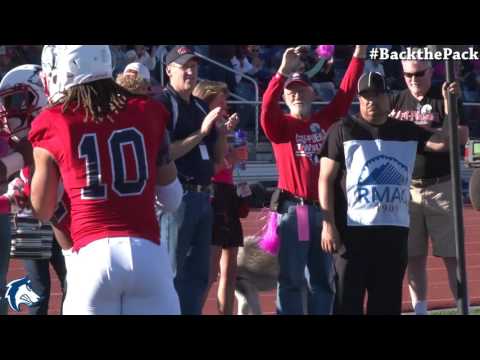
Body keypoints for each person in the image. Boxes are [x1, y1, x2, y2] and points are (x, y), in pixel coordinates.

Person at [28, 45, 182, 315]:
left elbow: (42, 210)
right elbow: (172, 198)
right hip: (148, 255)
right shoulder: (148, 111)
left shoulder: (53, 121)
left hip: (92, 258)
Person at [319, 72, 456, 315]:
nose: (371, 101)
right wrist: (328, 224)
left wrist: (449, 105)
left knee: (386, 304)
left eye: (377, 95)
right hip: (352, 233)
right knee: (346, 302)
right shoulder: (342, 129)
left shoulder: (407, 131)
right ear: (359, 100)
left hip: (393, 233)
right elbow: (325, 179)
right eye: (365, 96)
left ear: (388, 97)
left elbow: (446, 142)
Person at [260, 45, 366, 315]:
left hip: (326, 210)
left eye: (301, 89)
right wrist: (282, 73)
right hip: (297, 212)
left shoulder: (326, 119)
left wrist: (359, 53)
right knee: (292, 281)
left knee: (323, 281)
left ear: (313, 92)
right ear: (284, 96)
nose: (296, 94)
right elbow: (265, 112)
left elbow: (347, 90)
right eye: (291, 91)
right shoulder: (281, 126)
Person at [389, 52, 468, 315]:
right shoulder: (396, 99)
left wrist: (448, 109)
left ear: (431, 71)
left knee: (452, 257)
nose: (413, 79)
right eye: (408, 74)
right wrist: (434, 135)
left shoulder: (446, 94)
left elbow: (460, 137)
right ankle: (420, 311)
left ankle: (462, 309)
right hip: (407, 189)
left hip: (442, 187)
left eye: (419, 73)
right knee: (413, 257)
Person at [156, 45, 231, 315]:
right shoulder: (164, 104)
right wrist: (201, 132)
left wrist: (220, 132)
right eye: (184, 66)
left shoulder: (199, 105)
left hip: (202, 194)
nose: (191, 72)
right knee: (172, 271)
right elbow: (164, 153)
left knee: (200, 274)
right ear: (169, 70)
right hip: (178, 195)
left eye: (194, 66)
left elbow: (216, 159)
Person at [193, 80, 246, 315]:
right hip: (213, 194)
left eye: (226, 102)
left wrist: (235, 153)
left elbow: (230, 161)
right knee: (209, 270)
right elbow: (207, 169)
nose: (226, 107)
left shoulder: (223, 127)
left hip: (228, 193)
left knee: (230, 269)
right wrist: (230, 159)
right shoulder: (202, 129)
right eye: (221, 102)